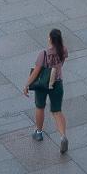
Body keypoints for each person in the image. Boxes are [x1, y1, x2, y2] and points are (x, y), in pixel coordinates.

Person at [25, 27, 69, 155]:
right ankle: (63, 136)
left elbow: (37, 72)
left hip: (43, 84)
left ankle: (38, 133)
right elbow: (61, 64)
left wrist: (26, 84)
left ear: (50, 39)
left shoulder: (43, 54)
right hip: (57, 83)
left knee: (40, 107)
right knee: (57, 111)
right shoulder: (63, 50)